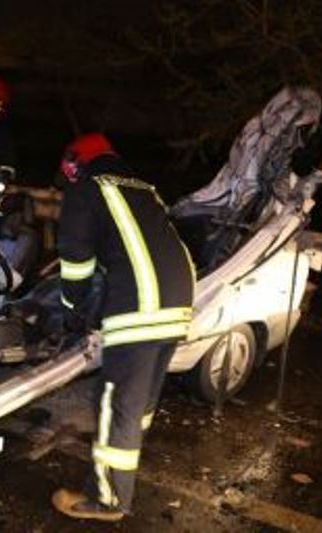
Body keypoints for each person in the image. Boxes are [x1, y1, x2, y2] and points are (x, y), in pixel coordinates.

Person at [51, 133, 195, 522]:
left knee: (115, 404)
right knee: (138, 404)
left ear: (76, 166)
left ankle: (107, 499)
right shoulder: (145, 189)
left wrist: (72, 311)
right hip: (177, 303)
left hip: (141, 310)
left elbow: (76, 261)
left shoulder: (86, 191)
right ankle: (124, 468)